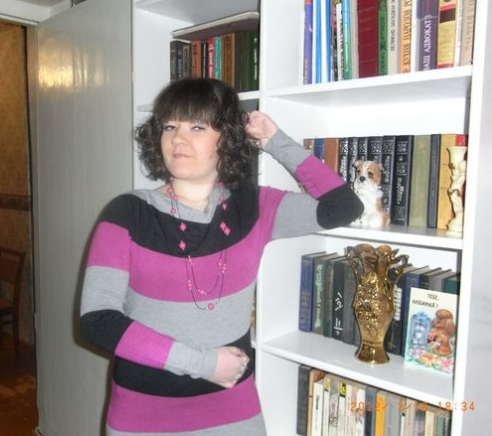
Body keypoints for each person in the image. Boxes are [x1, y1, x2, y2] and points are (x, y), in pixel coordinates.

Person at [79, 78, 364, 435]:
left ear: (227, 138)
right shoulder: (127, 213)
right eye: (170, 126)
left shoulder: (255, 206)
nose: (178, 139)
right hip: (144, 414)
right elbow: (98, 320)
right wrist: (203, 364)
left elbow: (344, 207)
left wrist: (274, 140)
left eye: (197, 127)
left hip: (233, 410)